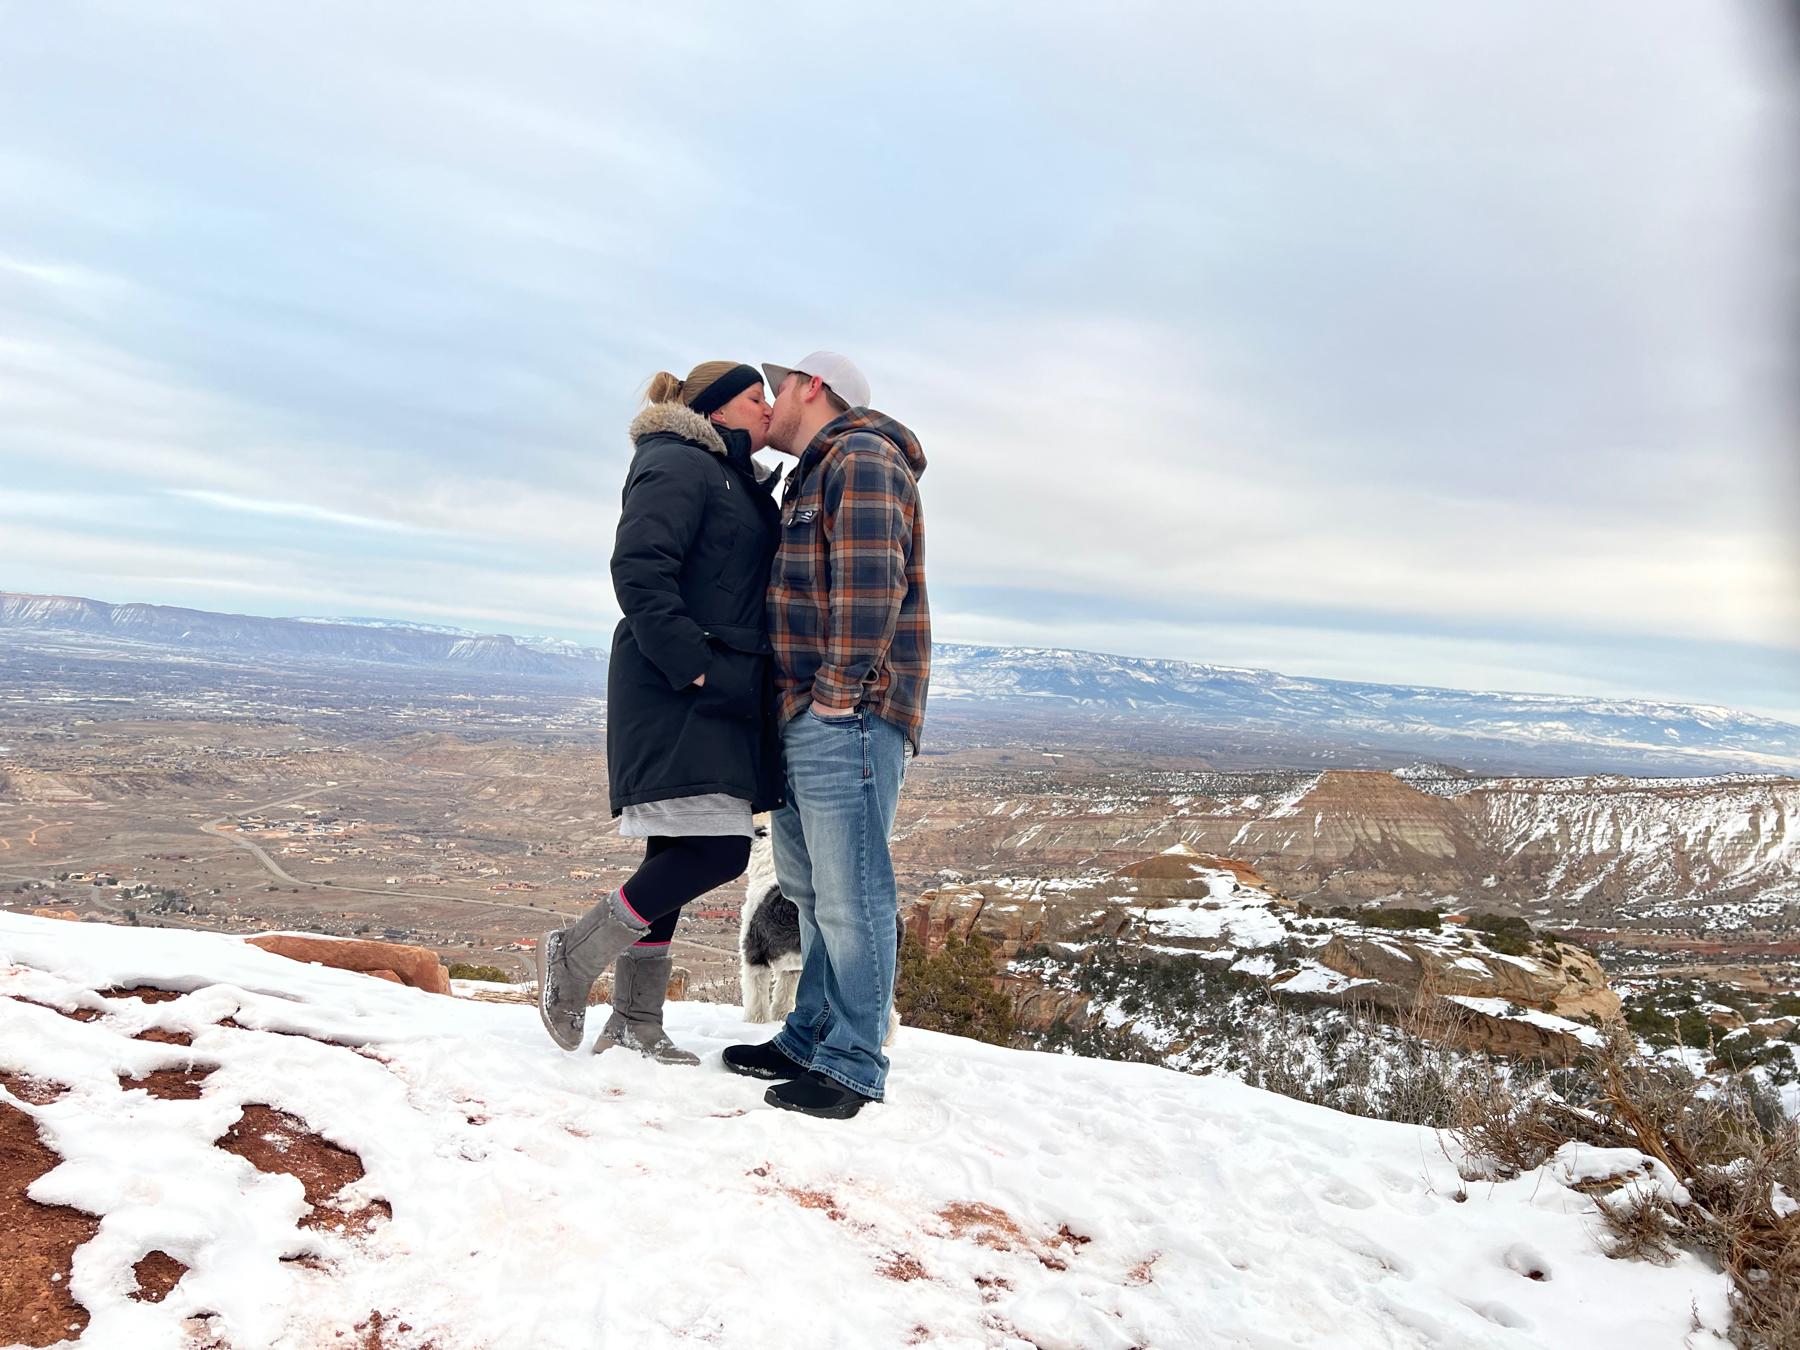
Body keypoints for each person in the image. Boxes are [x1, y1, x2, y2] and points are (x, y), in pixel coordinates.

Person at [538, 361, 781, 1062]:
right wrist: (696, 666)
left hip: (708, 685)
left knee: (675, 851)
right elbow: (639, 567)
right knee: (718, 849)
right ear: (715, 407)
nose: (766, 408)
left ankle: (636, 1020)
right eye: (753, 395)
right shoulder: (678, 462)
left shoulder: (725, 474)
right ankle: (575, 953)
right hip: (679, 687)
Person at [721, 352, 929, 1119]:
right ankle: (809, 1034)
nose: (767, 404)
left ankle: (853, 1063)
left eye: (776, 390)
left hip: (846, 714)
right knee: (808, 890)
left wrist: (837, 699)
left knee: (852, 895)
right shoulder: (816, 471)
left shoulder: (864, 459)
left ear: (813, 389)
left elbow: (874, 584)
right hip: (806, 714)